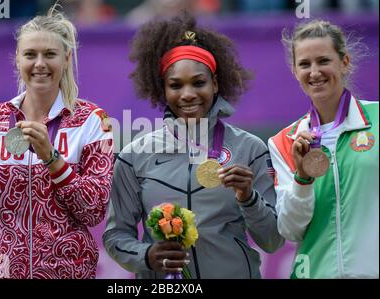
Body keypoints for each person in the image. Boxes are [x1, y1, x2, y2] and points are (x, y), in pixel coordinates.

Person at [0, 5, 114, 279]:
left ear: (66, 59)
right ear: (17, 59)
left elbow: (93, 212)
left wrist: (53, 159)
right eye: (30, 54)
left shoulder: (92, 121)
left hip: (67, 271)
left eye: (50, 54)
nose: (40, 63)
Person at [102, 13, 284, 279]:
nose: (187, 94)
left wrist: (249, 198)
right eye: (175, 85)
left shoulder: (250, 148)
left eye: (198, 82)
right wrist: (146, 256)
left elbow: (272, 240)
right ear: (163, 89)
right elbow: (116, 235)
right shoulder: (133, 156)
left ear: (216, 84)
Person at [268, 20, 378, 278]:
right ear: (295, 71)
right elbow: (291, 229)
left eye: (324, 61)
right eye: (305, 64)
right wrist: (302, 178)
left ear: (345, 62)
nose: (314, 72)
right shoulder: (284, 141)